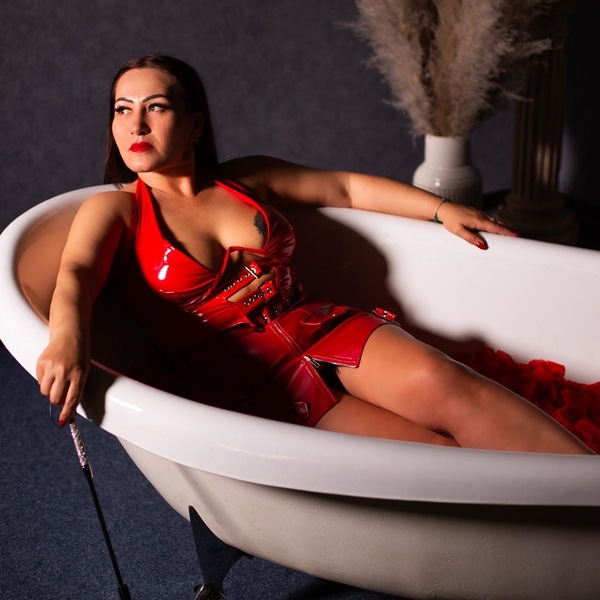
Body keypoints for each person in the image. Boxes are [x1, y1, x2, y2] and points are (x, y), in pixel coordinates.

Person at [36, 54, 593, 454]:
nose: (135, 125)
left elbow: (344, 188)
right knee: (437, 457)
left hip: (323, 325)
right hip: (250, 382)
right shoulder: (116, 210)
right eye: (122, 109)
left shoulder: (243, 179)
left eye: (155, 107)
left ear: (195, 123)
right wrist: (66, 338)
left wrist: (440, 210)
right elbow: (76, 274)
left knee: (453, 386)